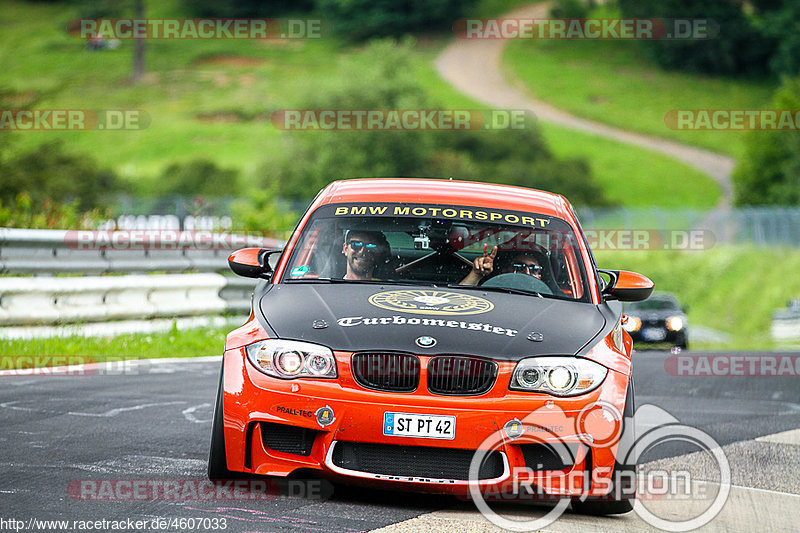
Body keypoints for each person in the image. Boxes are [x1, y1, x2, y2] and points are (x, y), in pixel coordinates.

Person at [460, 245, 546, 285]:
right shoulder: (491, 293)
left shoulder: (549, 301)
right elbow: (460, 300)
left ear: (539, 276)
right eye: (519, 267)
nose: (527, 273)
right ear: (505, 271)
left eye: (534, 269)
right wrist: (476, 274)